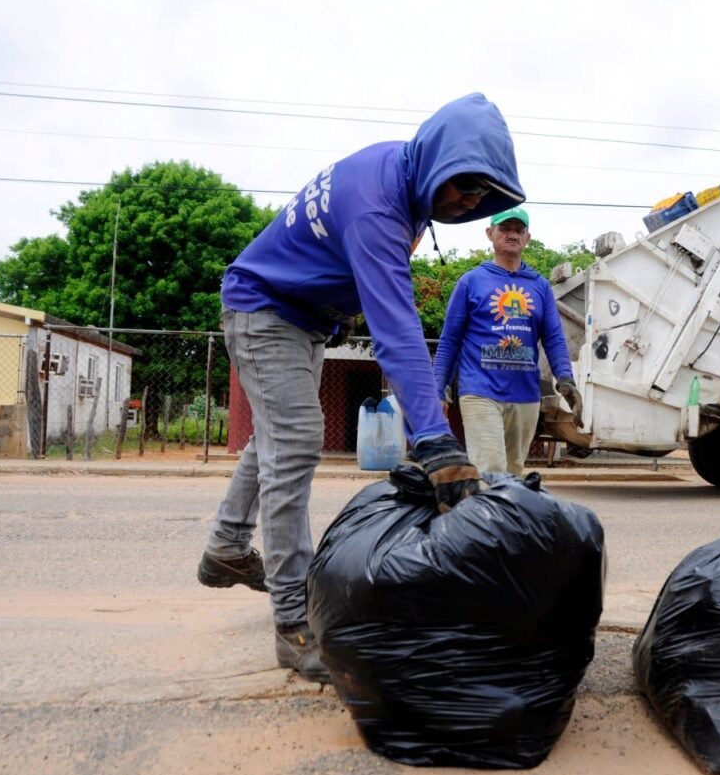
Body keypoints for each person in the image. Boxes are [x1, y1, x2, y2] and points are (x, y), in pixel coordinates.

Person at [196, 93, 525, 682]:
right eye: (461, 185)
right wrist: (435, 441)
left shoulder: (403, 177)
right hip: (264, 307)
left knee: (275, 436)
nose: (466, 201)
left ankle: (225, 546)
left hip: (302, 314)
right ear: (435, 160)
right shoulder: (378, 205)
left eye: (479, 195)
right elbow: (396, 329)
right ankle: (293, 623)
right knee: (295, 440)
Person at [432, 207, 582, 477]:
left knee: (513, 474)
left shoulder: (540, 286)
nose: (512, 234)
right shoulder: (470, 282)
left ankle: (498, 518)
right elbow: (449, 342)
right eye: (505, 229)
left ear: (527, 238)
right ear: (490, 234)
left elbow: (554, 338)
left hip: (525, 394)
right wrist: (438, 390)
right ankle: (483, 519)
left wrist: (565, 378)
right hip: (480, 390)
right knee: (489, 470)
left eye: (518, 230)